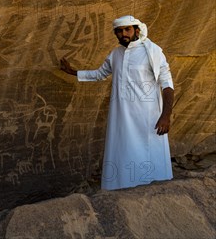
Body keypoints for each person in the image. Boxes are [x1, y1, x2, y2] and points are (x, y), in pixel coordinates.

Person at [60, 15, 174, 190]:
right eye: (119, 31)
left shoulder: (153, 51)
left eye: (127, 29)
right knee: (123, 151)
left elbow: (167, 85)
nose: (123, 34)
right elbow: (100, 74)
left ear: (137, 30)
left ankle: (154, 190)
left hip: (147, 117)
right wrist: (73, 72)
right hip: (121, 116)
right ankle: (123, 189)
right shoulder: (115, 54)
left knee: (149, 153)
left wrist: (165, 116)